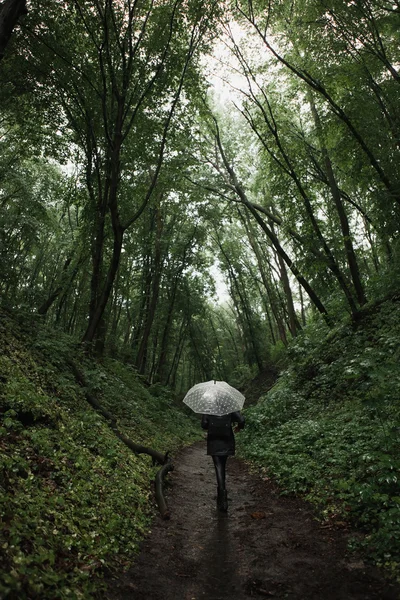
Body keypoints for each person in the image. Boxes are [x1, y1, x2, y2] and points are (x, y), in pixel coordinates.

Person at [201, 411, 245, 512]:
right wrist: (238, 427)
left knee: (218, 466)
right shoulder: (229, 407)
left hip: (214, 441)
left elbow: (204, 425)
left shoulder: (208, 408)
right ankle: (223, 495)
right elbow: (241, 420)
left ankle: (222, 494)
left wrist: (212, 425)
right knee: (223, 465)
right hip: (227, 439)